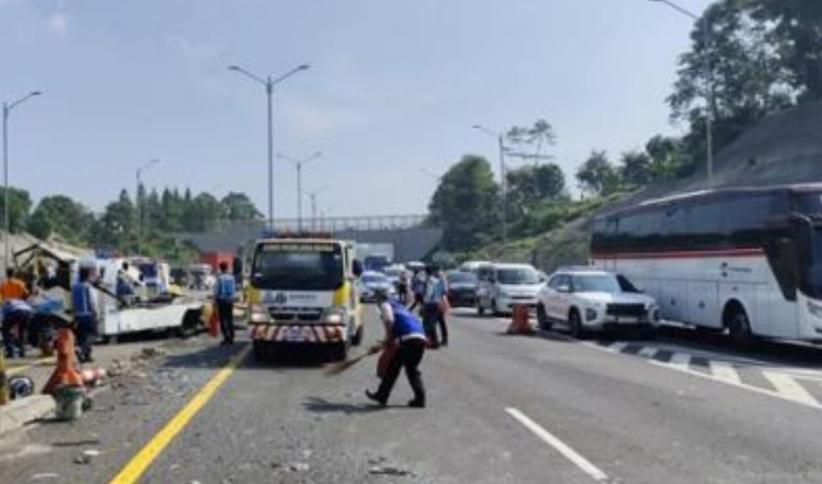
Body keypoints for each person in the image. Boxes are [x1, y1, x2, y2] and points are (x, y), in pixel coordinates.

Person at [366, 288, 427, 408]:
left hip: (408, 339)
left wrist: (387, 340)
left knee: (392, 368)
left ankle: (382, 395)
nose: (376, 302)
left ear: (380, 298)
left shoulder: (385, 305)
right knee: (411, 370)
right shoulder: (400, 306)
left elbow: (389, 321)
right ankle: (420, 399)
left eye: (376, 299)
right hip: (420, 338)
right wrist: (386, 342)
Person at [72, 266, 99, 363]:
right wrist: (96, 313)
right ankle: (81, 349)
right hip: (88, 314)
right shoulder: (88, 287)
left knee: (82, 335)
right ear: (88, 276)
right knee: (93, 334)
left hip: (77, 315)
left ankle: (86, 356)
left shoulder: (74, 287)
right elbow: (92, 301)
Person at [421, 265, 447, 348]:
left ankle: (433, 341)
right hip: (435, 303)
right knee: (431, 324)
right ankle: (433, 341)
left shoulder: (431, 281)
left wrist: (425, 302)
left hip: (432, 304)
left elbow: (430, 293)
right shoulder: (435, 281)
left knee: (429, 324)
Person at [214, 262, 237, 345]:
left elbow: (216, 290)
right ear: (227, 268)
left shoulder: (220, 278)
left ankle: (226, 338)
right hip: (230, 300)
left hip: (222, 301)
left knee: (223, 320)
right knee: (230, 319)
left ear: (220, 269)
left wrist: (215, 300)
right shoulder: (232, 278)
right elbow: (234, 290)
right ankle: (232, 337)